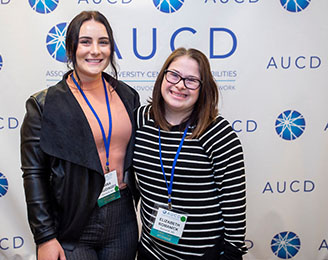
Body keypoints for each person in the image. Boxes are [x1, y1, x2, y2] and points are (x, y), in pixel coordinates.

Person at [20, 11, 140, 260]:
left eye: (103, 42)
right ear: (70, 47)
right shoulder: (43, 105)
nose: (95, 50)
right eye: (85, 41)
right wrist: (45, 237)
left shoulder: (128, 96)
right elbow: (34, 174)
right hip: (73, 224)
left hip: (122, 218)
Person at [133, 48, 247, 259]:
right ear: (162, 77)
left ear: (203, 89)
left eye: (191, 80)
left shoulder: (218, 134)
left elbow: (234, 204)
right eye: (174, 75)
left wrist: (231, 253)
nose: (180, 85)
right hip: (151, 252)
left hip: (202, 255)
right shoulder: (140, 120)